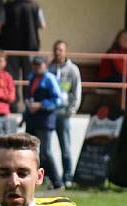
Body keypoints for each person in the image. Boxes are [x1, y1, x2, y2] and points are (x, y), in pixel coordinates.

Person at [0, 0, 44, 112]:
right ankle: (29, 106)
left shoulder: (7, 7)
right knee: (29, 79)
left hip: (11, 49)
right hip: (30, 49)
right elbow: (42, 25)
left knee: (12, 79)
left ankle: (14, 106)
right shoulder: (35, 7)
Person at [23, 55, 62, 189]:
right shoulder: (32, 77)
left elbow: (58, 100)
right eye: (34, 65)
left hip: (45, 120)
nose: (36, 67)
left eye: (39, 65)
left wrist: (41, 105)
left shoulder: (50, 79)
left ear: (45, 65)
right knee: (30, 151)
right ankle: (40, 179)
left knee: (45, 152)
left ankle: (57, 181)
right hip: (32, 119)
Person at [48, 39, 81, 186]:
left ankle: (68, 177)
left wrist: (71, 110)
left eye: (60, 50)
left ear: (65, 51)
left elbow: (77, 91)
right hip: (49, 113)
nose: (57, 52)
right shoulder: (49, 68)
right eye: (55, 49)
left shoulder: (73, 70)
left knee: (65, 147)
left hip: (64, 114)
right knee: (45, 148)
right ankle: (50, 177)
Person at [98, 29, 127, 114]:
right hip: (107, 79)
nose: (126, 40)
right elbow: (119, 70)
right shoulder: (113, 52)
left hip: (124, 77)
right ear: (118, 39)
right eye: (123, 38)